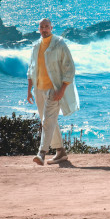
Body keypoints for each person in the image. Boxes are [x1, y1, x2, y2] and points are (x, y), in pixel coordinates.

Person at [26, 18, 79, 164]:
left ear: (51, 27)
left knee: (47, 120)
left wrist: (62, 90)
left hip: (53, 90)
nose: (44, 29)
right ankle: (60, 152)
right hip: (39, 90)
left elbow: (70, 68)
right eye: (41, 27)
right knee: (49, 121)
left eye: (47, 27)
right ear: (39, 28)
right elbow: (31, 68)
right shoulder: (36, 45)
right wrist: (29, 89)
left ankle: (41, 153)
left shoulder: (59, 44)